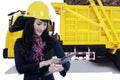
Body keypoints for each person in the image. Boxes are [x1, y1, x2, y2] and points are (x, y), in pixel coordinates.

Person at [14, 1, 70, 80]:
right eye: (39, 24)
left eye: (45, 24)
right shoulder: (20, 43)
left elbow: (66, 63)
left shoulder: (51, 41)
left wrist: (60, 68)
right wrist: (44, 63)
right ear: (30, 22)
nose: (42, 28)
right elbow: (20, 68)